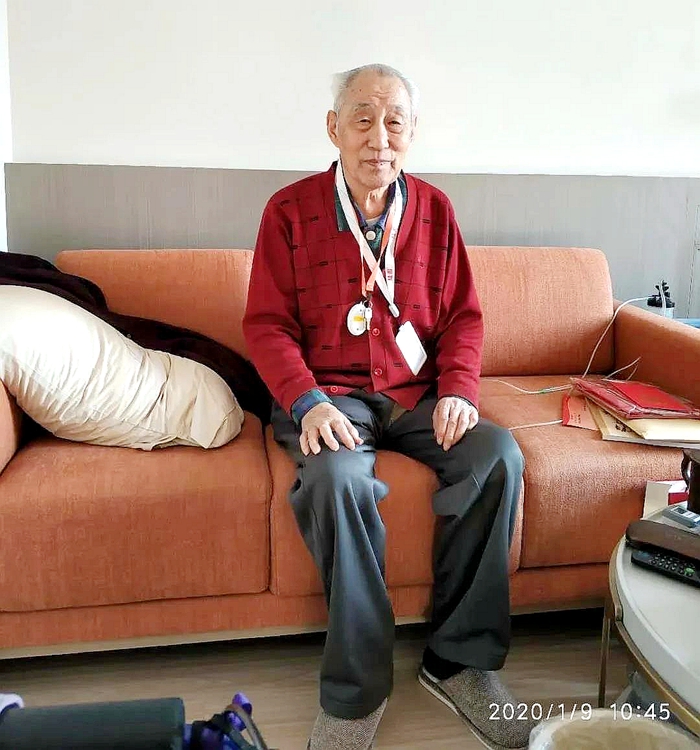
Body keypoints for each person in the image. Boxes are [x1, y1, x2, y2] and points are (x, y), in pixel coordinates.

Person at [243, 63, 536, 750]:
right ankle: (356, 693)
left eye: (394, 121)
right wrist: (308, 402)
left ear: (411, 131)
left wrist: (459, 389)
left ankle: (458, 663)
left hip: (416, 395)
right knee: (336, 478)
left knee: (497, 456)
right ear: (334, 128)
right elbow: (267, 326)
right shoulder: (288, 211)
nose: (379, 137)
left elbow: (463, 318)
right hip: (330, 396)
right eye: (363, 119)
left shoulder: (435, 210)